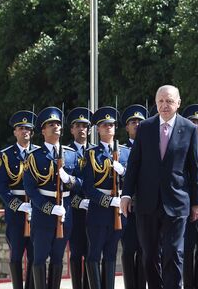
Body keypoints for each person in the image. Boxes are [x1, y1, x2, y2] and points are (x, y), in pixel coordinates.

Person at [120, 85, 198, 289]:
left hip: (177, 201)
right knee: (149, 255)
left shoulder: (190, 129)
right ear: (156, 103)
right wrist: (126, 194)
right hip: (147, 202)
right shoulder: (145, 128)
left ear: (178, 103)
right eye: (161, 101)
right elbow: (134, 164)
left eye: (169, 101)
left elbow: (195, 168)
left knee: (174, 252)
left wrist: (197, 203)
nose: (165, 105)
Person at [23, 106, 82, 289]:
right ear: (43, 130)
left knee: (58, 257)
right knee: (40, 257)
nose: (55, 127)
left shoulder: (70, 154)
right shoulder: (34, 157)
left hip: (65, 213)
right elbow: (30, 189)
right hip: (43, 214)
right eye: (50, 124)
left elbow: (81, 183)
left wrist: (68, 179)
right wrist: (49, 208)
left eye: (57, 123)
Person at [83, 106, 128, 289]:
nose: (108, 128)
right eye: (104, 125)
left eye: (111, 124)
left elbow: (134, 181)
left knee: (110, 254)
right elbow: (88, 187)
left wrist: (124, 172)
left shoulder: (125, 152)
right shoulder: (91, 154)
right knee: (94, 254)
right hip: (99, 213)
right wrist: (109, 201)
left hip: (118, 214)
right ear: (98, 129)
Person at [0, 110, 38, 289]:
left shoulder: (39, 153)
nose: (24, 131)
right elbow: (1, 187)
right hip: (15, 212)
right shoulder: (5, 155)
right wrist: (18, 206)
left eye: (28, 128)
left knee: (36, 255)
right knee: (16, 255)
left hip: (36, 208)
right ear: (15, 132)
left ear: (32, 132)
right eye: (21, 128)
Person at [120, 104, 148, 289]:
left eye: (140, 121)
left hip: (147, 206)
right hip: (128, 207)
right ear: (127, 127)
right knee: (129, 250)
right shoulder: (120, 151)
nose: (137, 124)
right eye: (133, 122)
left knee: (146, 250)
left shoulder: (152, 148)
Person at [65, 107, 94, 289]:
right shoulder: (65, 152)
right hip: (75, 211)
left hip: (95, 211)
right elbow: (63, 186)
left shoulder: (96, 152)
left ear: (90, 129)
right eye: (77, 126)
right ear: (72, 130)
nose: (81, 129)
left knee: (93, 252)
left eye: (85, 126)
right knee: (76, 253)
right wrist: (78, 202)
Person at [182, 103, 198, 289]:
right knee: (187, 246)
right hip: (184, 202)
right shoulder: (181, 143)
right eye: (192, 122)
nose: (196, 126)